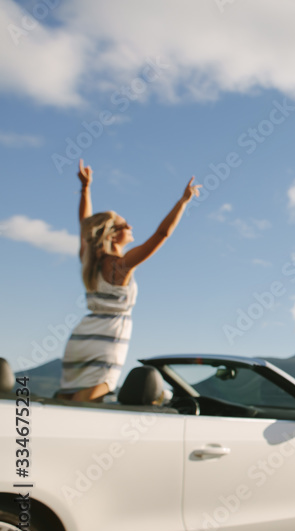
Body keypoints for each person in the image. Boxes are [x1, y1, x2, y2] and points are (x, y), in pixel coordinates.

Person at [57, 160, 201, 402]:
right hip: (108, 338)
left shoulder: (89, 259)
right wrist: (182, 202)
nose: (131, 226)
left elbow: (84, 225)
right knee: (87, 401)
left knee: (67, 398)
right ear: (113, 235)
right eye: (125, 225)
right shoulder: (119, 266)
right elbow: (161, 234)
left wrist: (85, 189)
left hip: (81, 338)